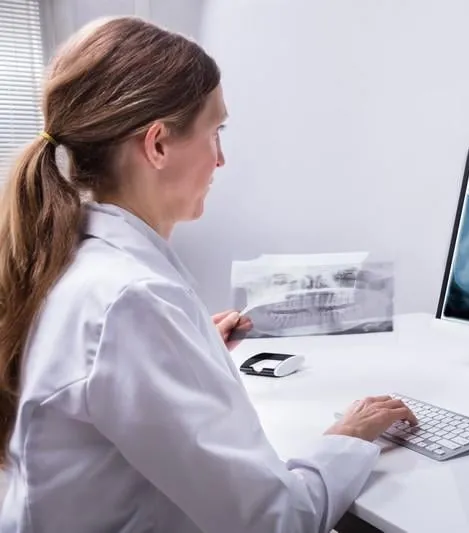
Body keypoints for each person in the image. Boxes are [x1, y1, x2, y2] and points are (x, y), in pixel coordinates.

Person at [0, 16, 416, 533]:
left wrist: (189, 352)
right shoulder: (132, 299)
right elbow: (276, 521)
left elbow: (99, 394)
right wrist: (349, 437)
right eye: (215, 132)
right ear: (156, 145)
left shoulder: (75, 265)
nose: (220, 159)